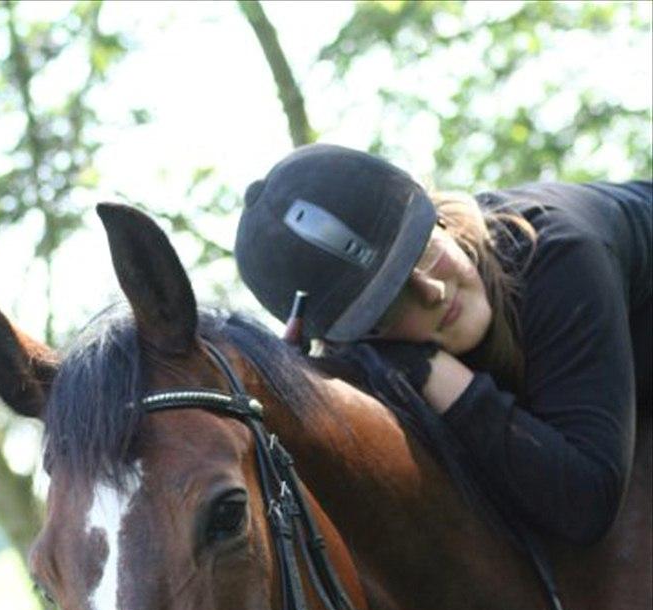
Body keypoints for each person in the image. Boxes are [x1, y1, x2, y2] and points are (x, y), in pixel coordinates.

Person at [234, 144, 652, 545]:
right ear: (355, 336)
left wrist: (431, 373)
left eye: (423, 251)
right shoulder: (368, 347)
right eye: (390, 301)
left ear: (439, 222)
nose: (432, 290)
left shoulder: (559, 253)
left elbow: (587, 501)